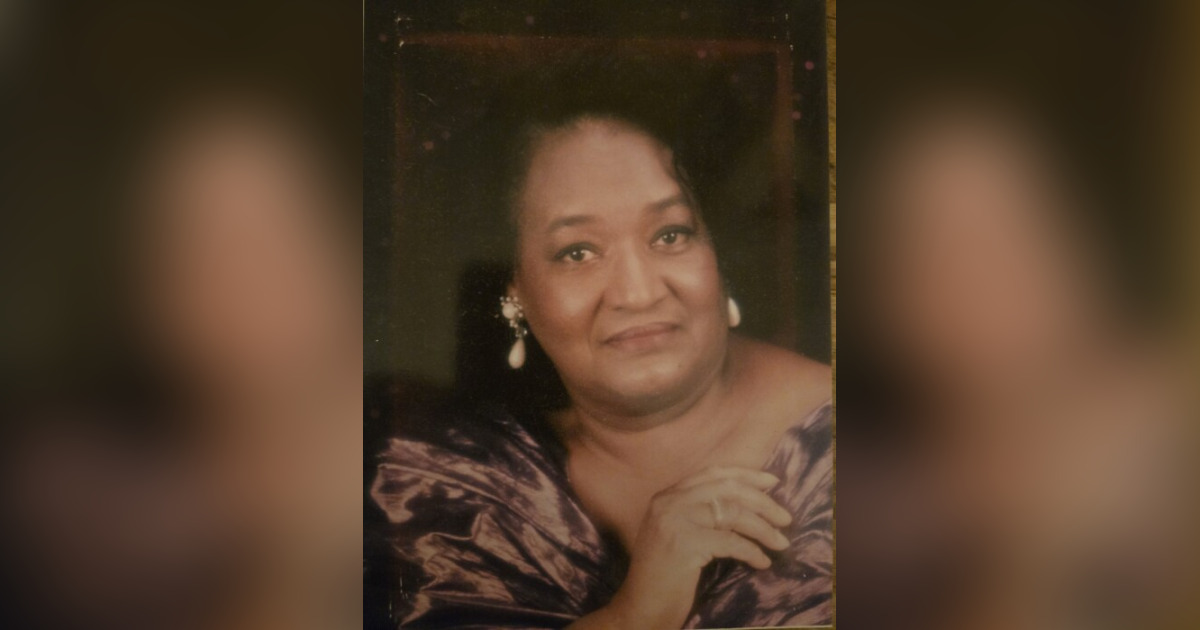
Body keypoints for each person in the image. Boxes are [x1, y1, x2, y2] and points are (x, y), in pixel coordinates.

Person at [370, 70, 833, 629]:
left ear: (717, 253)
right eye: (578, 252)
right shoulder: (449, 486)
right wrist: (637, 612)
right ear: (515, 292)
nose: (638, 293)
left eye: (670, 235)